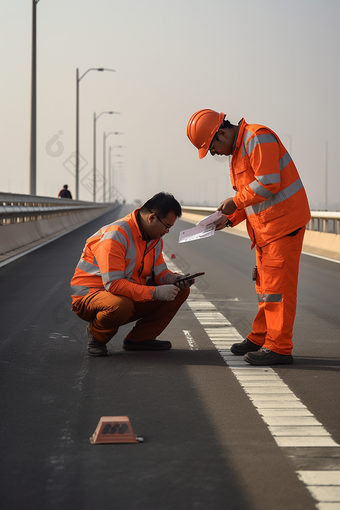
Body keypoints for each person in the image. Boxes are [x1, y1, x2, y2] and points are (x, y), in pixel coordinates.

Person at [186, 109, 311, 366]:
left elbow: (268, 183)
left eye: (212, 149)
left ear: (221, 133)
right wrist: (228, 218)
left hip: (283, 226)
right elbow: (254, 198)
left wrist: (235, 201)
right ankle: (260, 337)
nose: (215, 154)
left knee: (278, 290)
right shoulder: (240, 150)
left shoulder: (257, 137)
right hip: (266, 229)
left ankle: (279, 347)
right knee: (267, 288)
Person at [70, 192, 192, 356]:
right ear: (152, 218)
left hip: (126, 292)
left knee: (179, 290)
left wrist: (174, 279)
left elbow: (160, 271)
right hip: (92, 296)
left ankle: (139, 339)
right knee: (121, 305)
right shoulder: (116, 235)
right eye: (167, 226)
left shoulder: (154, 239)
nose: (167, 231)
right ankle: (97, 336)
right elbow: (113, 284)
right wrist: (155, 292)